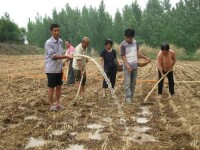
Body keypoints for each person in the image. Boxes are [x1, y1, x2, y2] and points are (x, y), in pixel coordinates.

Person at [45, 23, 72, 111]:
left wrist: (63, 61)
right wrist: (66, 57)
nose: (57, 32)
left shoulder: (60, 41)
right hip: (51, 69)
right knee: (51, 87)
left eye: (58, 30)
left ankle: (57, 104)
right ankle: (51, 105)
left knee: (59, 87)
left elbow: (60, 53)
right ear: (51, 32)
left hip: (59, 68)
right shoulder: (48, 43)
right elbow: (54, 56)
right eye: (55, 31)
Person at [120, 28, 151, 103]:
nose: (128, 39)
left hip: (134, 66)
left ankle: (131, 96)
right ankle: (128, 98)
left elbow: (138, 53)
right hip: (127, 67)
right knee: (127, 83)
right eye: (127, 37)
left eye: (130, 37)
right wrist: (127, 65)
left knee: (133, 83)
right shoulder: (123, 44)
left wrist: (146, 58)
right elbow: (123, 56)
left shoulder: (135, 43)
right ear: (125, 36)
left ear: (132, 37)